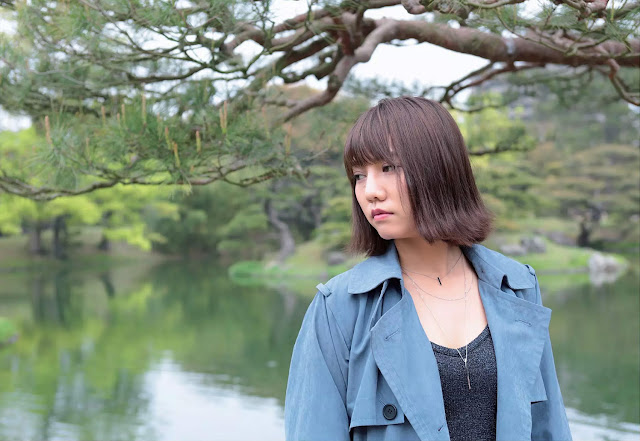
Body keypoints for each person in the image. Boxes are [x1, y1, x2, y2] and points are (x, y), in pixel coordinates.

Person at [284, 97, 572, 441]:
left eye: (388, 168)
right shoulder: (338, 308)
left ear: (440, 168)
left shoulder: (517, 285)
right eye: (359, 176)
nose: (370, 191)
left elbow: (549, 426)